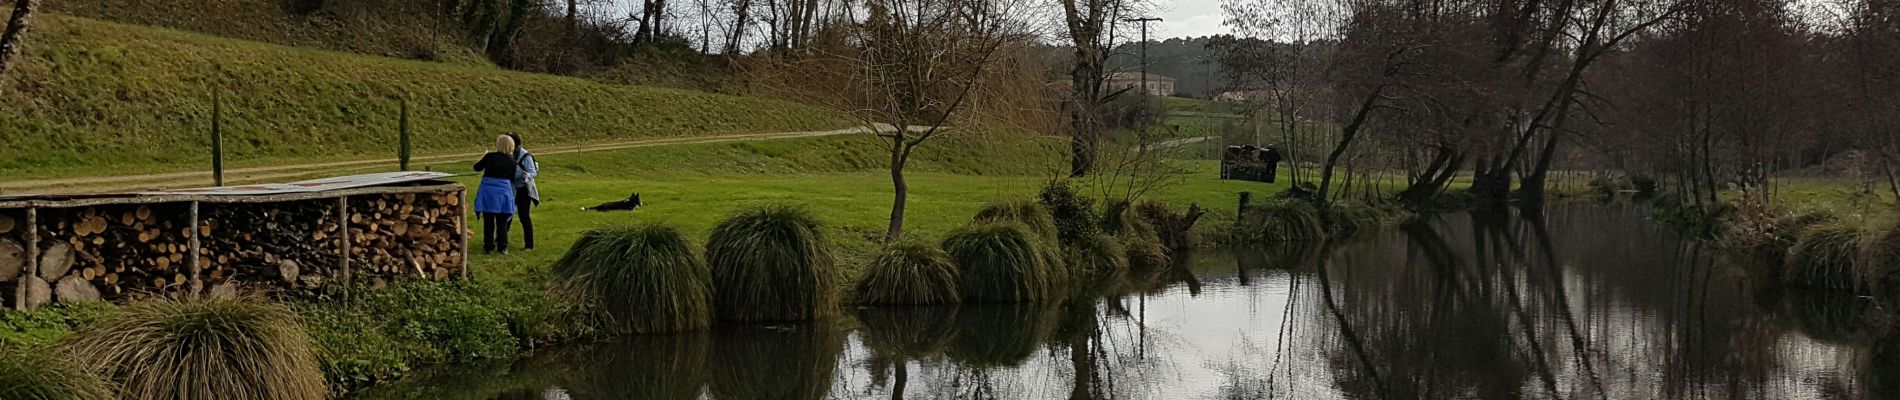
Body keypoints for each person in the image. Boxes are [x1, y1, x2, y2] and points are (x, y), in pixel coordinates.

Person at [474, 135, 519, 254]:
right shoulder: (512, 162)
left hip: (488, 191)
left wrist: (482, 157)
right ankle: (502, 247)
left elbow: (476, 168)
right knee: (502, 222)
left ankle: (488, 246)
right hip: (503, 192)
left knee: (488, 220)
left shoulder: (489, 157)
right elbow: (512, 177)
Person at [505, 133, 541, 250]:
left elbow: (533, 172)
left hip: (524, 189)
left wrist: (526, 175)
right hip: (511, 188)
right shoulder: (507, 154)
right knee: (507, 214)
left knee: (524, 216)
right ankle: (501, 242)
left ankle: (529, 245)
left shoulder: (526, 156)